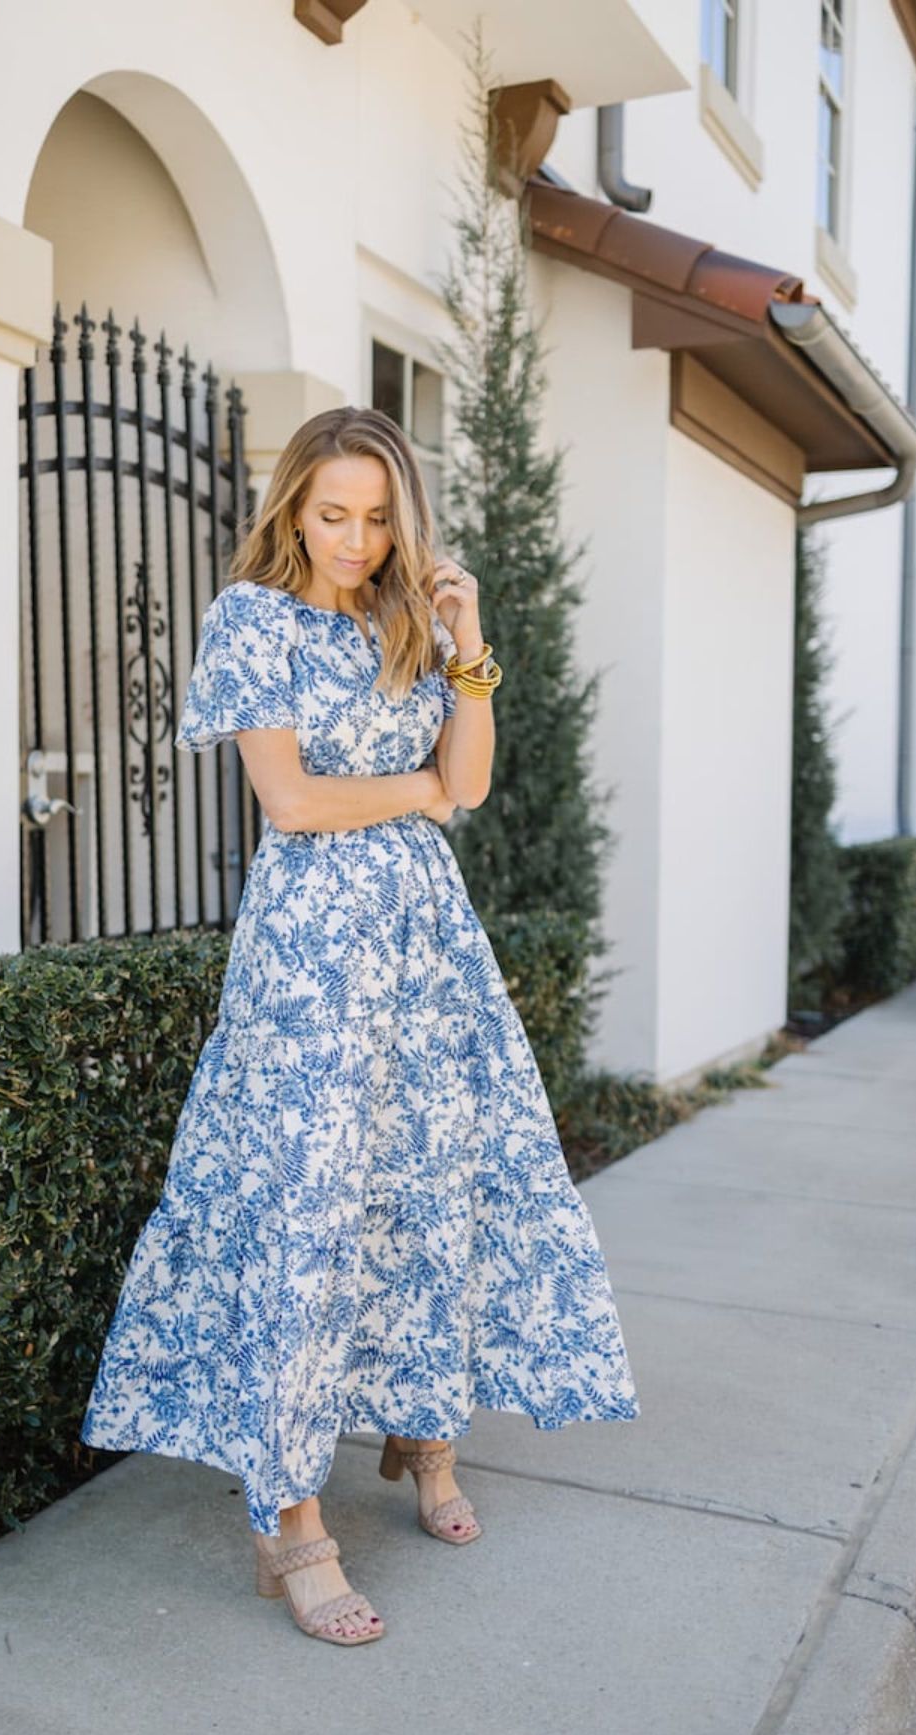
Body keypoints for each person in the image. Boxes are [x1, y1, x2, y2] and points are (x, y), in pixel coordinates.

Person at [79, 405, 639, 1647]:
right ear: (293, 509)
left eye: (376, 516)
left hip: (426, 942)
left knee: (426, 1182)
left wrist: (468, 644)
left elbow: (476, 781)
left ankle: (424, 1439)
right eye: (332, 513)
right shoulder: (254, 619)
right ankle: (289, 1520)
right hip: (311, 951)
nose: (354, 535)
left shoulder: (407, 618)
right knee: (307, 1201)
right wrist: (419, 789)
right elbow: (289, 802)